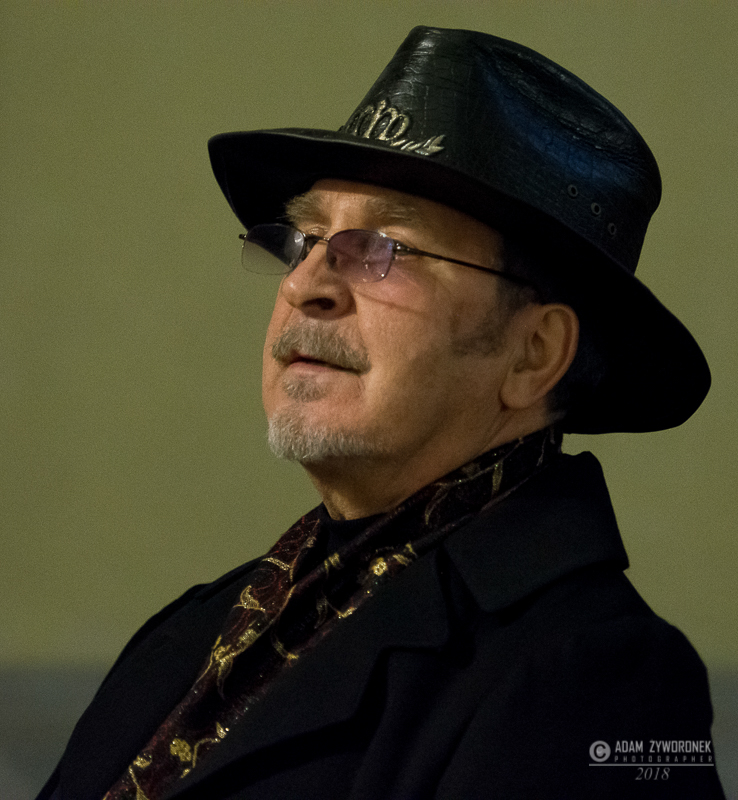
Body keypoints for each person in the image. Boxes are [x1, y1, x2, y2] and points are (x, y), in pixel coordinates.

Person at [38, 26, 725, 800]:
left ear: (532, 353)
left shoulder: (606, 678)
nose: (305, 285)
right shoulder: (197, 631)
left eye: (384, 248)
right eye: (306, 239)